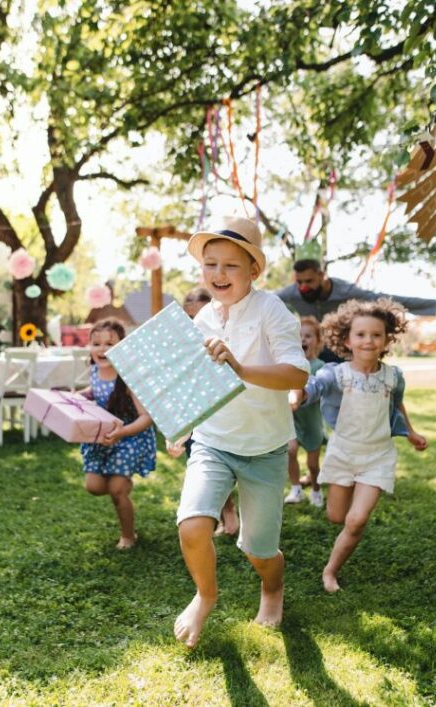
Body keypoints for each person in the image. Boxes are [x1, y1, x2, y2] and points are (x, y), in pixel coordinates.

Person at [171, 216, 309, 648]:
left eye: (231, 265)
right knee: (192, 525)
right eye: (210, 264)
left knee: (258, 550)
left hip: (265, 448)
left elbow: (297, 373)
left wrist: (241, 368)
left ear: (253, 271)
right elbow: (196, 383)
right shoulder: (202, 318)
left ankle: (272, 587)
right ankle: (205, 595)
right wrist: (181, 426)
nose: (218, 273)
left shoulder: (272, 310)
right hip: (213, 441)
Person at [293, 298, 427, 592]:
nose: (368, 340)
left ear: (387, 340)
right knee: (336, 517)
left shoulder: (393, 377)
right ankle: (351, 490)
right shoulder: (335, 374)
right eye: (361, 334)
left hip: (377, 457)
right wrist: (298, 395)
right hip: (343, 454)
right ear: (347, 340)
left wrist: (411, 432)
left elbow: (396, 406)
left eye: (376, 335)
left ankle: (330, 571)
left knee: (355, 521)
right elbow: (314, 387)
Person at [275, 259, 436, 362]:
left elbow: (386, 299)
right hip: (311, 351)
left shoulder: (346, 291)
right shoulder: (291, 293)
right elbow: (266, 301)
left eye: (309, 281)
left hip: (341, 349)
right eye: (299, 282)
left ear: (322, 275)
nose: (303, 287)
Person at [79, 318, 157, 550]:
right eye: (96, 343)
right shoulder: (95, 371)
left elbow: (146, 417)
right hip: (103, 438)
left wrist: (122, 433)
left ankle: (128, 535)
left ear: (122, 348)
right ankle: (122, 485)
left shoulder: (128, 378)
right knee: (93, 486)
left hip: (129, 438)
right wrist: (79, 396)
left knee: (116, 490)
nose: (102, 349)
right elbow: (96, 390)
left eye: (110, 344)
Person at [175, 287, 240, 537]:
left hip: (227, 413)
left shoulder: (224, 341)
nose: (196, 324)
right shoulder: (182, 348)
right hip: (196, 416)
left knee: (230, 461)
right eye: (190, 318)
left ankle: (234, 510)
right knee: (203, 464)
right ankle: (225, 511)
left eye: (199, 316)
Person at [284, 316, 326, 507]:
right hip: (292, 419)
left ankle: (316, 489)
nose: (302, 339)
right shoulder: (288, 367)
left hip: (311, 421)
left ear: (318, 341)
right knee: (290, 451)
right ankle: (296, 489)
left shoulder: (320, 367)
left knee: (313, 464)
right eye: (298, 336)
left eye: (308, 336)